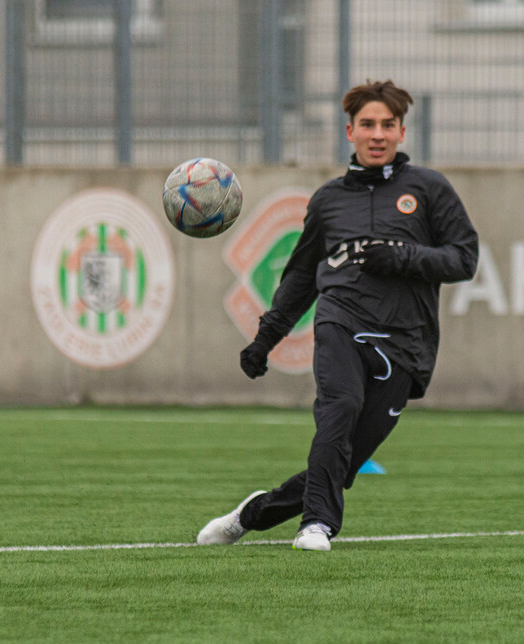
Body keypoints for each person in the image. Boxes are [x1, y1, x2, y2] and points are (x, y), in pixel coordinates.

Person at [196, 80, 479, 551]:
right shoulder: (328, 201)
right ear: (349, 131)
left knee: (343, 461)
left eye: (387, 125)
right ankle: (317, 526)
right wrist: (266, 339)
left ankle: (254, 513)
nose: (377, 134)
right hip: (340, 321)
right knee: (339, 409)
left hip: (406, 343)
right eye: (367, 124)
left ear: (401, 132)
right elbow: (301, 278)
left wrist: (404, 257)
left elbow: (464, 259)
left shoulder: (430, 190)